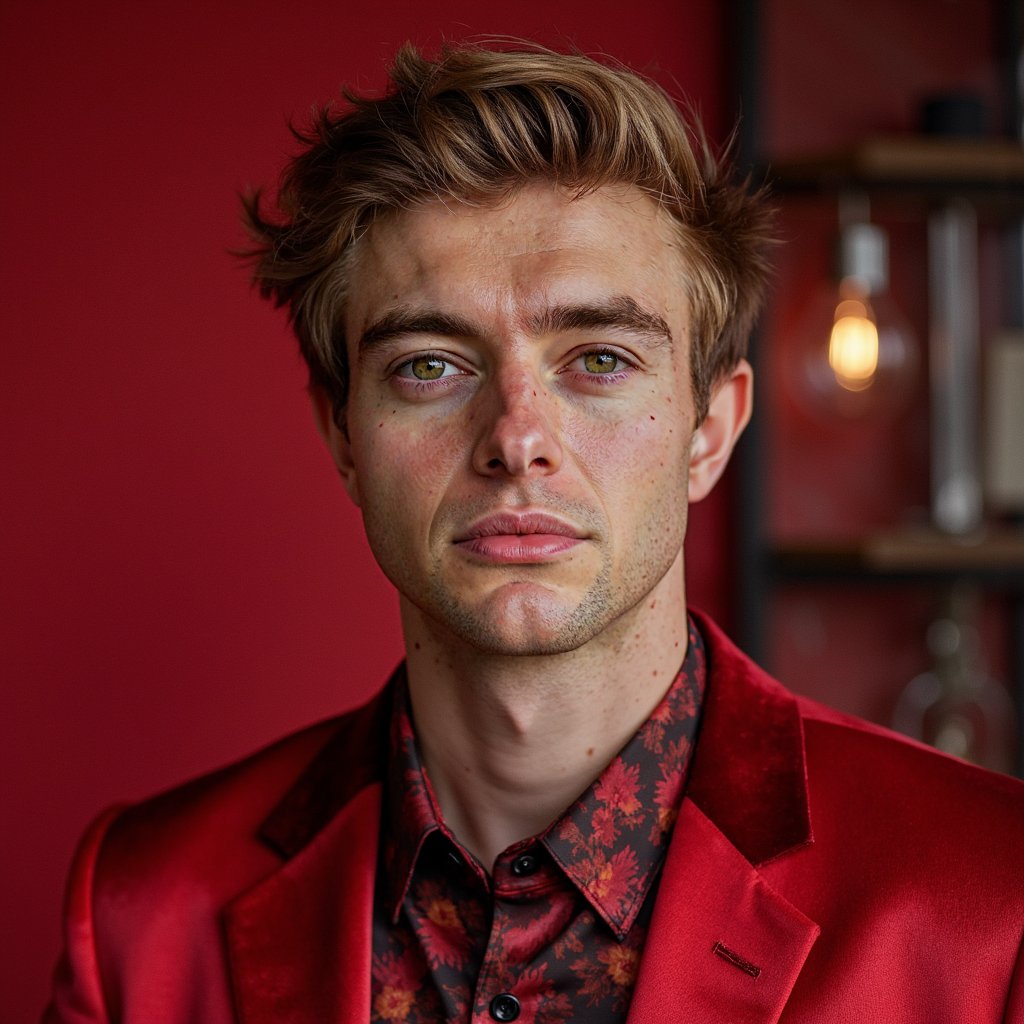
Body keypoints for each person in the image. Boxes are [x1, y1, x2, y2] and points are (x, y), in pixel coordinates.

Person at [44, 41, 1023, 1024]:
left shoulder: (993, 905)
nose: (516, 439)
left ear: (710, 428)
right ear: (342, 435)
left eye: (597, 357)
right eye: (429, 366)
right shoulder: (140, 910)